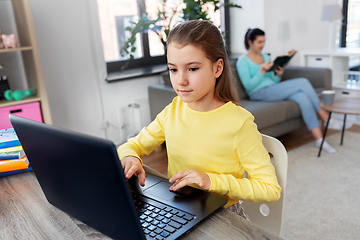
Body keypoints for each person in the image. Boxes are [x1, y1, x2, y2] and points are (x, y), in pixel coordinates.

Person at [118, 20, 281, 217]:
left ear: (217, 68)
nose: (181, 80)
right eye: (173, 69)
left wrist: (212, 181)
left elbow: (270, 189)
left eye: (192, 68)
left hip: (224, 216)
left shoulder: (240, 123)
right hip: (180, 208)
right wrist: (130, 157)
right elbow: (131, 145)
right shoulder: (174, 110)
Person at [236, 28, 344, 154]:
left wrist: (279, 75)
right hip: (258, 93)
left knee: (302, 96)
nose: (262, 45)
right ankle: (325, 116)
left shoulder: (265, 57)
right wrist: (262, 70)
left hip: (272, 89)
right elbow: (249, 86)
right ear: (250, 42)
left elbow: (273, 81)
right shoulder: (242, 61)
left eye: (264, 41)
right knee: (303, 82)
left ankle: (319, 140)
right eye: (259, 42)